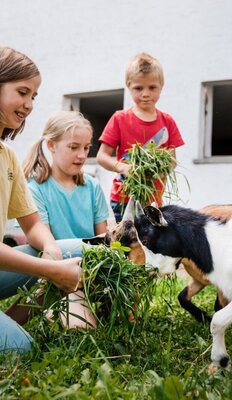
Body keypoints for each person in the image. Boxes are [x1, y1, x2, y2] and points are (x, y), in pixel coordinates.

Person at [0, 46, 83, 353]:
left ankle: (11, 323)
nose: (29, 104)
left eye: (33, 96)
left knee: (79, 251)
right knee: (22, 351)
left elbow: (32, 222)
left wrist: (50, 251)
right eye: (22, 92)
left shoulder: (7, 155)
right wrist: (50, 270)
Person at [22, 110, 110, 328]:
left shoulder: (92, 187)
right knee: (76, 326)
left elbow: (104, 237)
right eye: (73, 147)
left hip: (89, 273)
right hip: (52, 272)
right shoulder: (35, 190)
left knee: (84, 328)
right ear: (51, 145)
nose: (82, 155)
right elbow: (45, 243)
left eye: (86, 148)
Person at [96, 52, 185, 222]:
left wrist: (156, 168)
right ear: (129, 87)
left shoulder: (167, 122)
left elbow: (172, 162)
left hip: (153, 201)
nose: (145, 94)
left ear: (161, 87)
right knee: (124, 246)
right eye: (138, 88)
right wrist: (122, 167)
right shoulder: (120, 119)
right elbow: (102, 156)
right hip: (123, 199)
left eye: (152, 87)